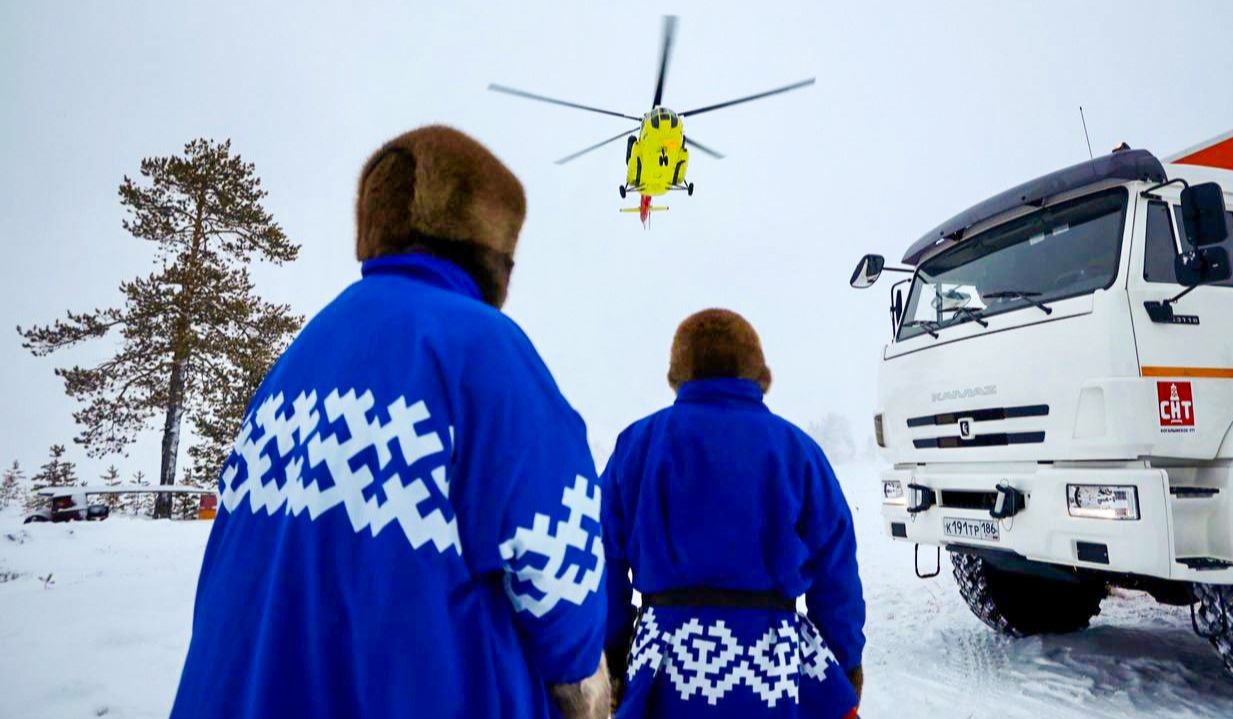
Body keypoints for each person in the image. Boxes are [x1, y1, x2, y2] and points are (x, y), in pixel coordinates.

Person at [171, 126, 610, 719]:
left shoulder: (300, 357)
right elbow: (561, 562)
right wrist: (581, 686)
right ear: (491, 248)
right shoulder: (483, 349)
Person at [603, 309, 865, 718]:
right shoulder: (797, 451)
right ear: (758, 374)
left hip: (663, 668)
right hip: (771, 669)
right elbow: (836, 574)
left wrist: (613, 653)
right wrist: (844, 667)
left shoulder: (637, 445)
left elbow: (604, 562)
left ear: (678, 374)